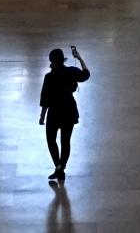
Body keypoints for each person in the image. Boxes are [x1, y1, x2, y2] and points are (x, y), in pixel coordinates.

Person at [38, 46, 90, 182]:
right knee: (65, 142)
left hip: (54, 113)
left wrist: (42, 117)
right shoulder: (71, 72)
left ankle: (58, 167)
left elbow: (45, 99)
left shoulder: (49, 77)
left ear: (52, 62)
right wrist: (79, 58)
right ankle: (61, 168)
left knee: (51, 140)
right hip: (69, 111)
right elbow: (86, 74)